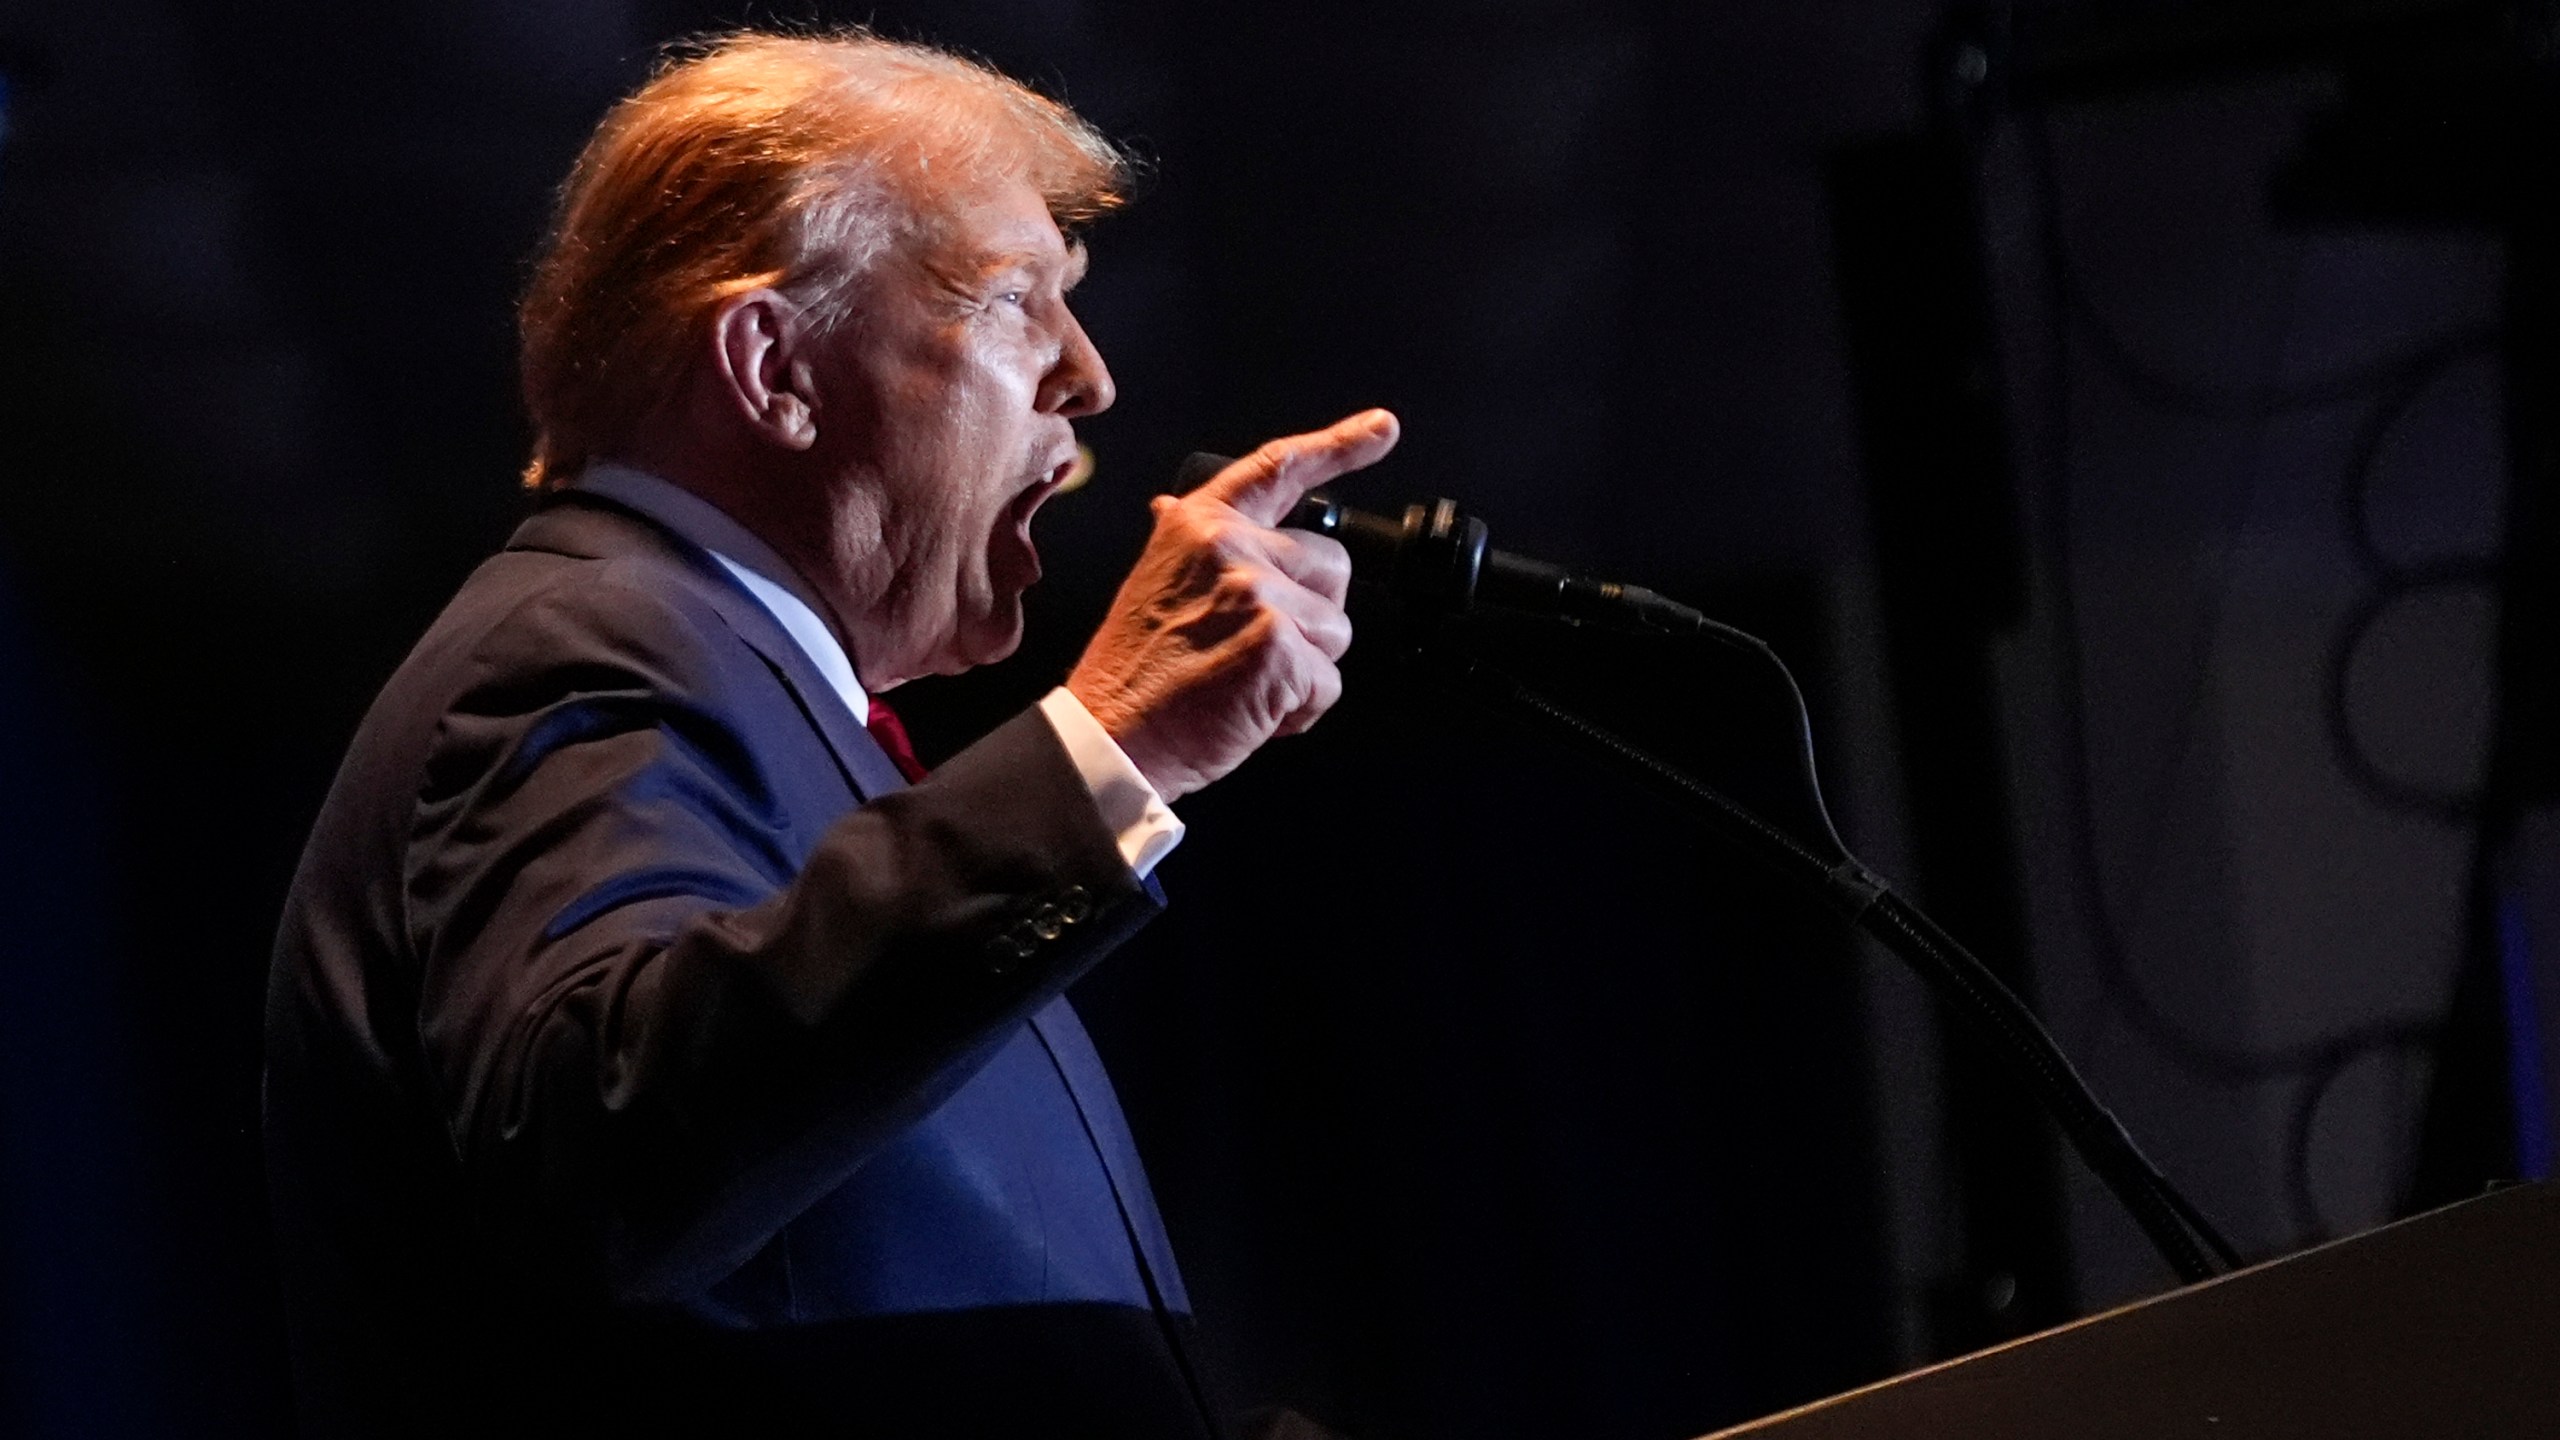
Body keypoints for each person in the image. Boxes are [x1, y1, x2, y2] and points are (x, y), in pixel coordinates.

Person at [262, 30, 1398, 1439]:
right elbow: (607, 1145)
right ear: (775, 369)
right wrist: (1112, 743)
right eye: (1015, 299)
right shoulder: (587, 642)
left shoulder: (758, 698)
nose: (1090, 375)